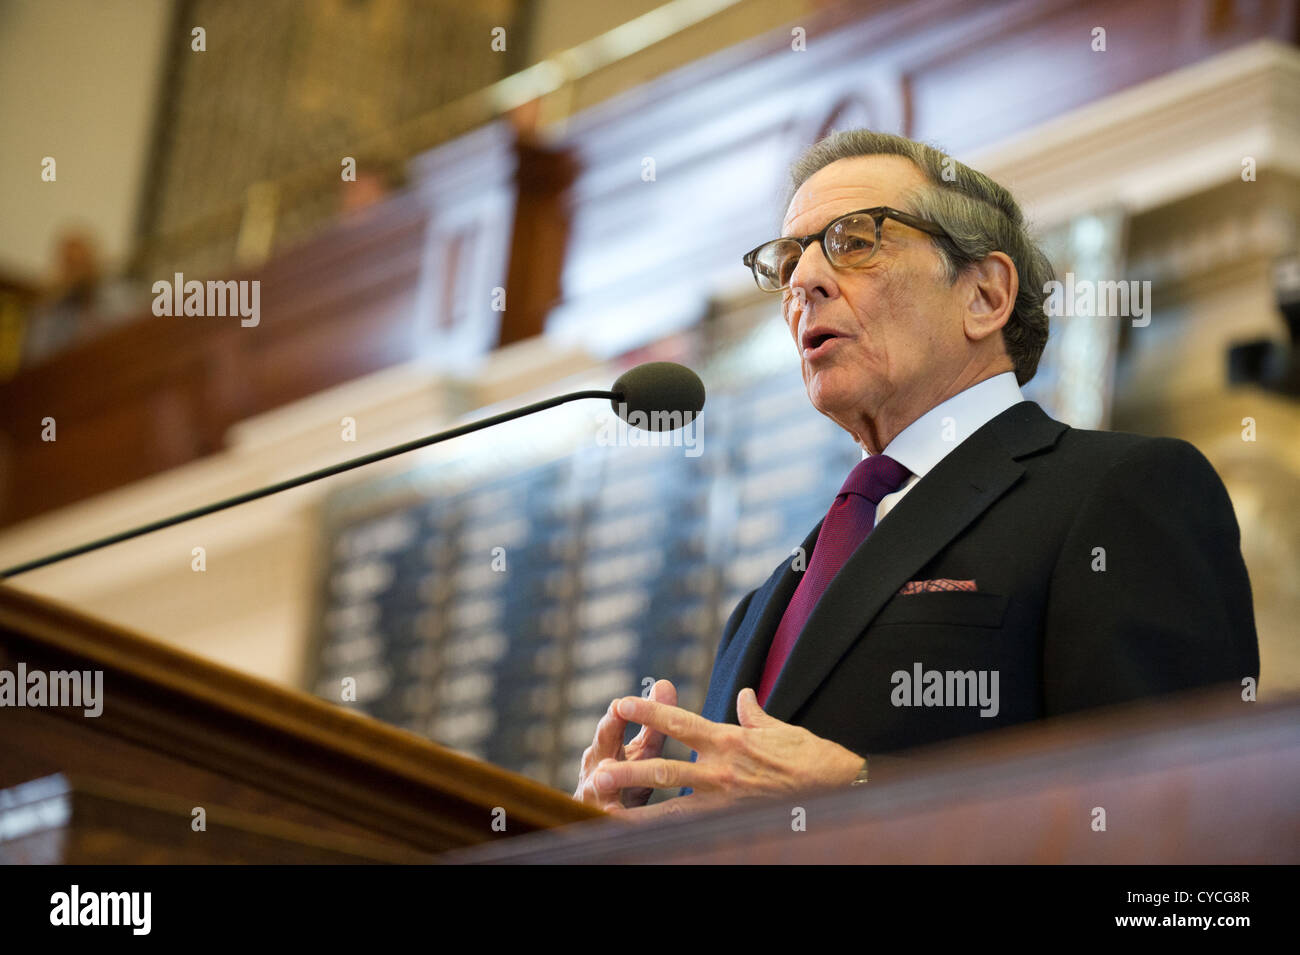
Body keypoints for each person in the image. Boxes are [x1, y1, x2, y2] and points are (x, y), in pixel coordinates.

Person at [572, 129, 1260, 820]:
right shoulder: (760, 608)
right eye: (789, 260)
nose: (803, 282)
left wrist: (858, 794)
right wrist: (613, 838)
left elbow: (1188, 821)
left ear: (985, 295)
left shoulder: (1121, 493)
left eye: (854, 241)